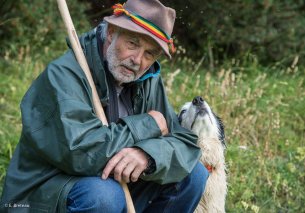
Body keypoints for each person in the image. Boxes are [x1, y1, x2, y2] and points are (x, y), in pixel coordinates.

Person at [0, 0, 208, 212]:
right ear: (111, 33)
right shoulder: (63, 76)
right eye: (132, 44)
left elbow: (182, 142)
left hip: (113, 185)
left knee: (193, 175)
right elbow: (82, 153)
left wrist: (148, 155)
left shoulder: (148, 78)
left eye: (149, 53)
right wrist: (147, 124)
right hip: (43, 194)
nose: (137, 60)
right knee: (104, 195)